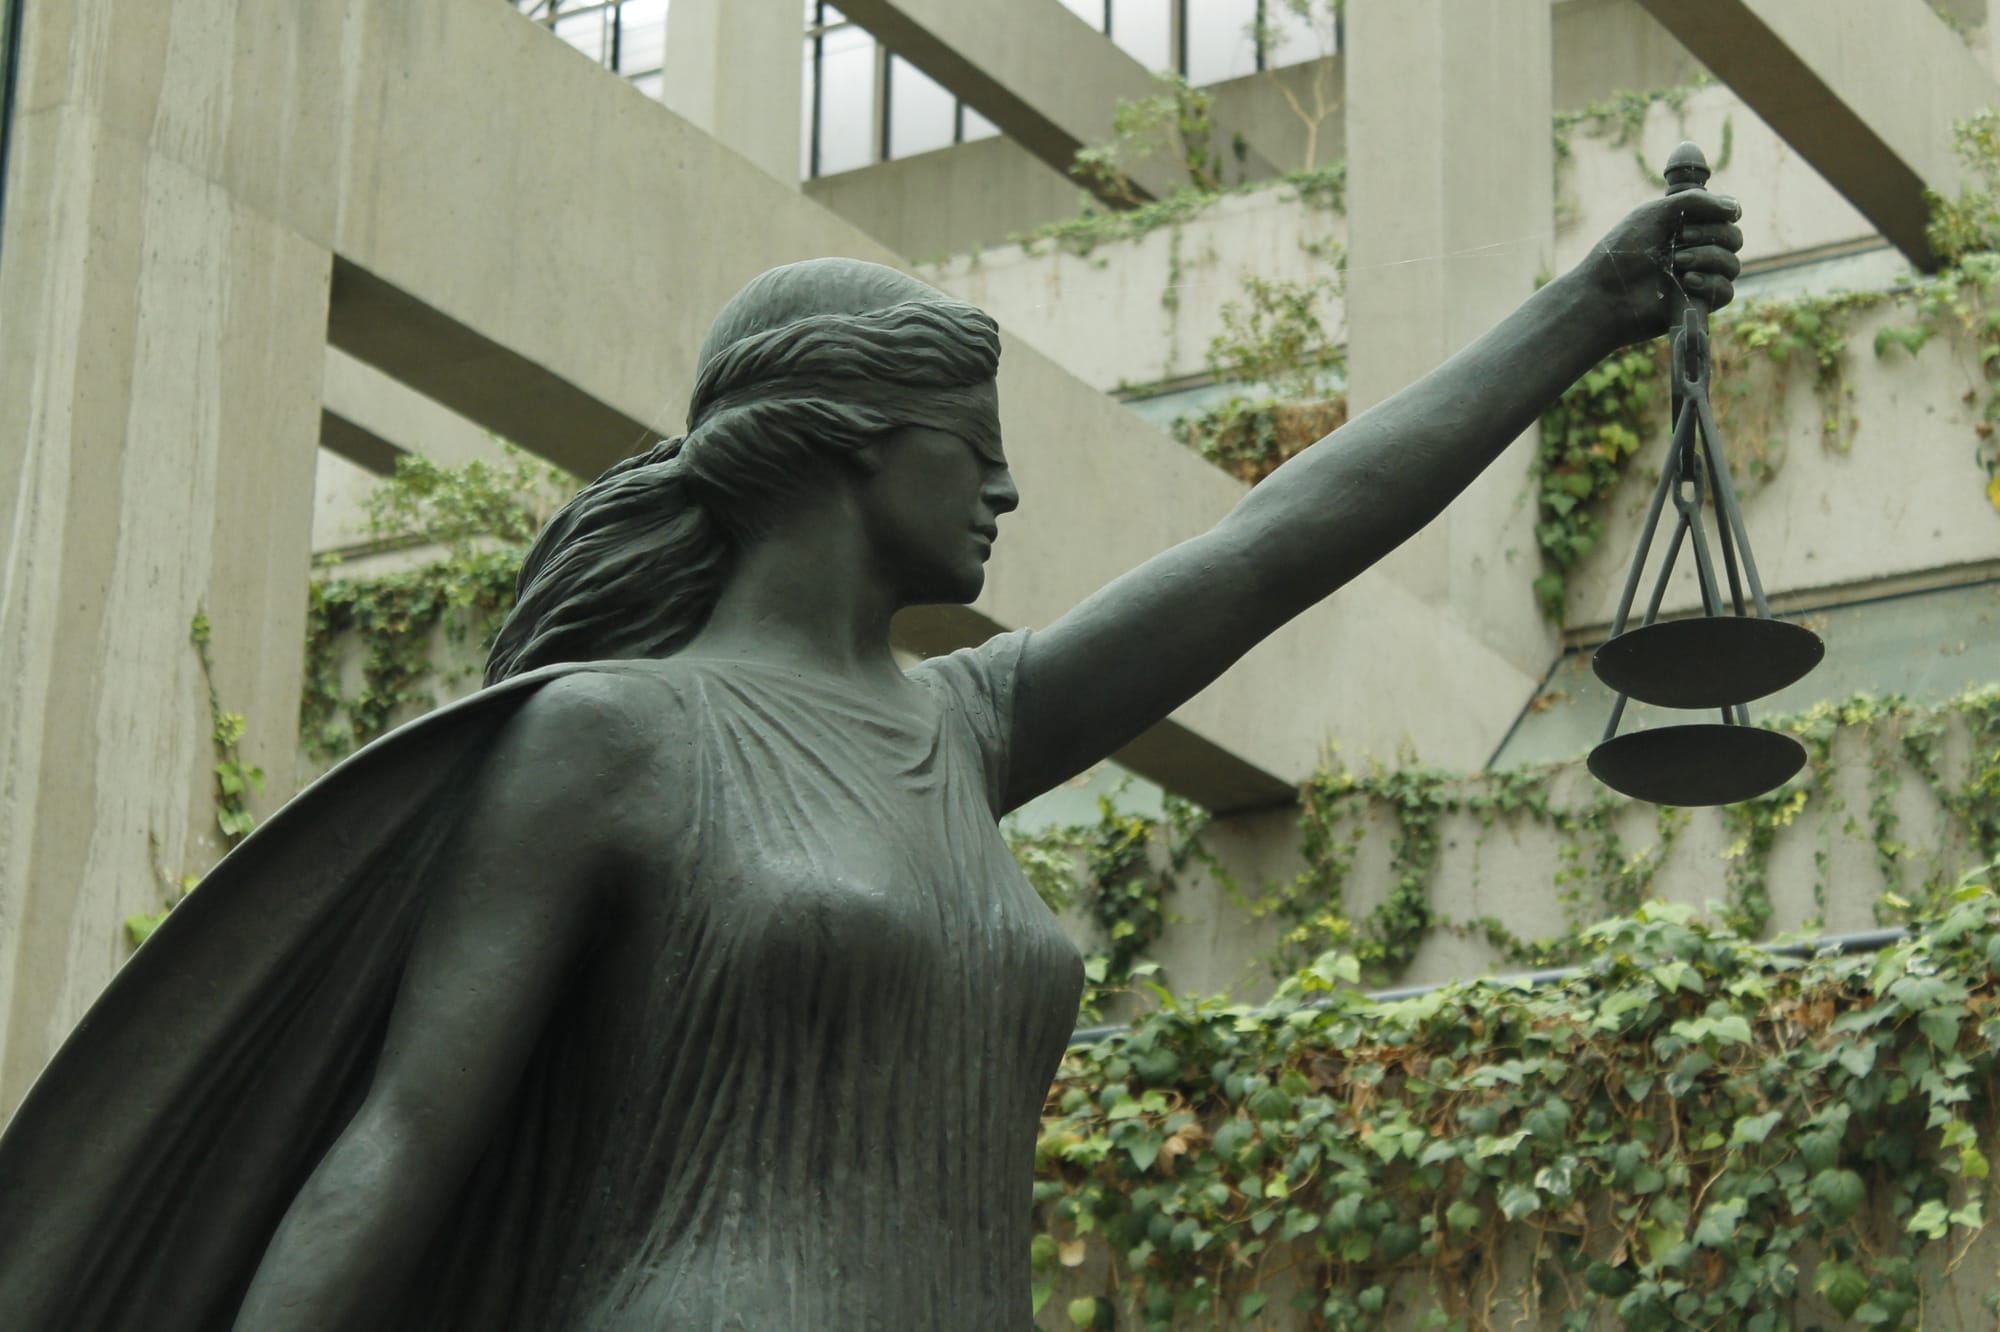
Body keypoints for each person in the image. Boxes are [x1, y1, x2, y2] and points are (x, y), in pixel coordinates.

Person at [0, 189, 1741, 1331]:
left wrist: (1580, 315)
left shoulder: (969, 729)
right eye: (966, 451)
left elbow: (1278, 545)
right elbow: (401, 1145)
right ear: (841, 453)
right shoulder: (612, 738)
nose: (1003, 491)